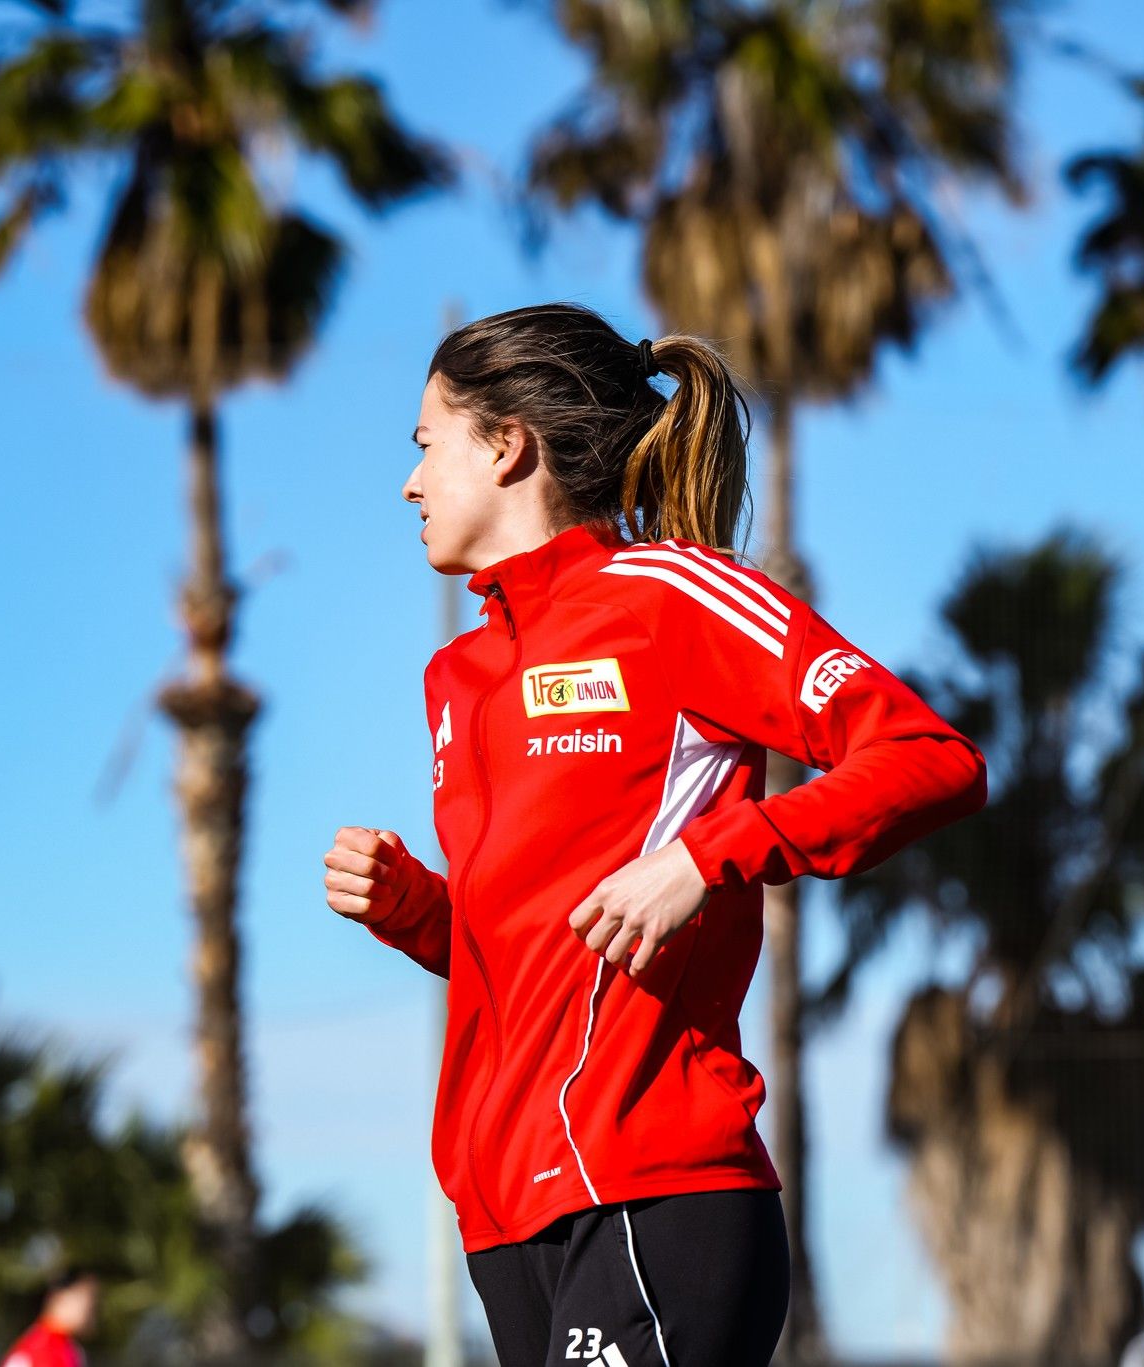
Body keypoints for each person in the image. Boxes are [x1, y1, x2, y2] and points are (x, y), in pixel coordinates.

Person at [322, 302, 988, 1367]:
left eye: (422, 447)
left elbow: (930, 756)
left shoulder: (672, 595)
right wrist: (414, 908)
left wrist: (707, 855)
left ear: (507, 446)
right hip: (504, 1216)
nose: (407, 483)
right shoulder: (457, 676)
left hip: (654, 1185)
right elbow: (544, 947)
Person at [0, 1266, 97, 1367]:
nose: (91, 1311)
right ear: (61, 1297)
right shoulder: (40, 1350)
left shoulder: (66, 1347)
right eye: (87, 1300)